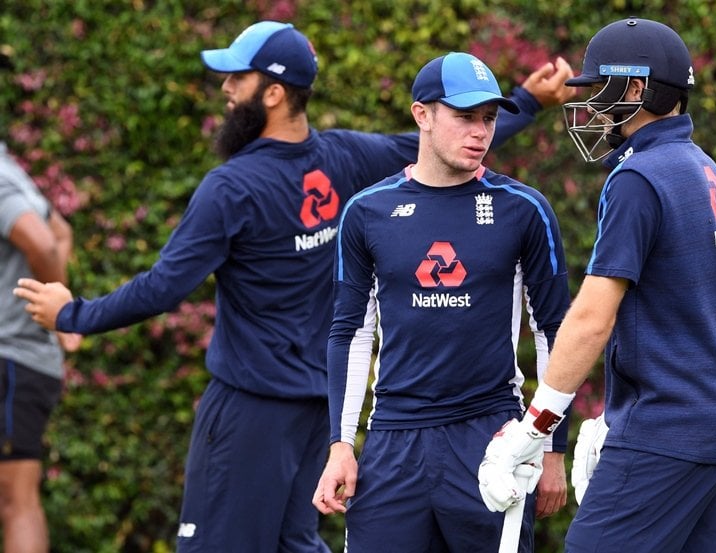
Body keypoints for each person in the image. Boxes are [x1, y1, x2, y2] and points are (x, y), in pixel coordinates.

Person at [12, 21, 575, 553]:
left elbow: (163, 287)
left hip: (252, 407)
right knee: (294, 543)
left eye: (238, 78)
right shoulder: (345, 159)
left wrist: (73, 315)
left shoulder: (232, 188)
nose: (228, 90)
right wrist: (525, 103)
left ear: (275, 92)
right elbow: (428, 144)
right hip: (315, 409)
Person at [477, 17, 716, 553]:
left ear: (635, 88)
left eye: (599, 90)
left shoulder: (638, 176)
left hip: (668, 430)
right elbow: (696, 305)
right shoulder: (703, 167)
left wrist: (534, 426)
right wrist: (614, 415)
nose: (591, 107)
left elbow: (591, 317)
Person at [312, 51, 571, 553]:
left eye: (489, 118)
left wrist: (552, 447)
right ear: (422, 115)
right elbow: (351, 332)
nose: (480, 132)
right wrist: (341, 445)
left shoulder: (525, 208)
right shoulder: (366, 212)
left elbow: (553, 331)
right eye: (465, 116)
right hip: (393, 441)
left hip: (490, 438)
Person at [0, 139, 78, 553]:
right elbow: (61, 231)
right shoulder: (12, 169)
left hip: (11, 358)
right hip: (19, 360)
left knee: (16, 500)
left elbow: (45, 244)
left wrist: (60, 315)